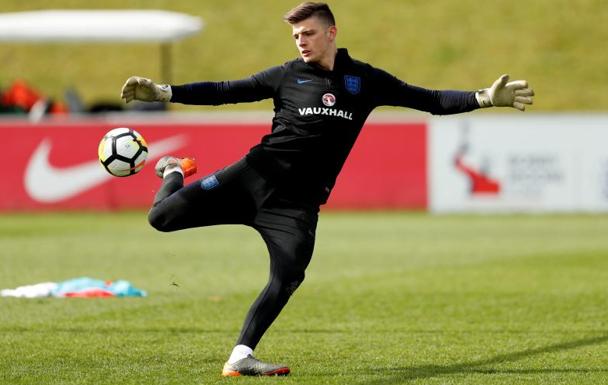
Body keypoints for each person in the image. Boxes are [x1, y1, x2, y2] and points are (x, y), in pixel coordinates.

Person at [120, 2, 534, 377]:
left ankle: (240, 356)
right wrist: (163, 92)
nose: (301, 41)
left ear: (331, 33)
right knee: (161, 218)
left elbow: (428, 99)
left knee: (288, 276)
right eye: (296, 35)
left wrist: (483, 97)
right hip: (251, 178)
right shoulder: (286, 74)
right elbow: (227, 91)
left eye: (309, 33)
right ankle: (174, 170)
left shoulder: (364, 79)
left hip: (295, 206)